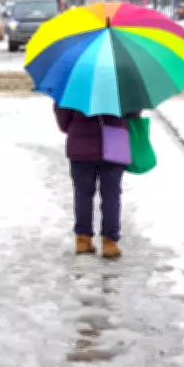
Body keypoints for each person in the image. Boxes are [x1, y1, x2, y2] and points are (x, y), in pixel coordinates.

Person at [54, 103, 140, 259]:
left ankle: (83, 240)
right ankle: (110, 243)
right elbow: (133, 112)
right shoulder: (122, 88)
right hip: (115, 142)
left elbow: (63, 116)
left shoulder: (74, 88)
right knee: (111, 195)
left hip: (81, 145)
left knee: (82, 195)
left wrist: (75, 127)